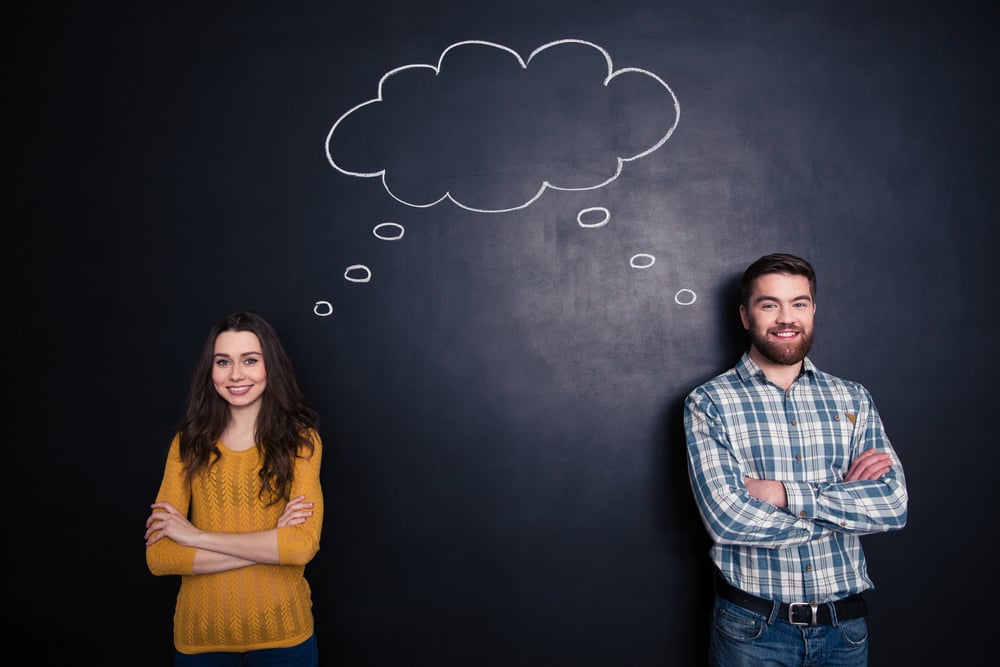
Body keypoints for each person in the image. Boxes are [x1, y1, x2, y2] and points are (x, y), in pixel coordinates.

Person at [683, 253, 908, 667]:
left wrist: (780, 493)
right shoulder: (710, 402)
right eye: (770, 304)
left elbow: (892, 506)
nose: (787, 318)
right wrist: (841, 505)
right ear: (746, 315)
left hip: (845, 631)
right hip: (753, 632)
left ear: (813, 310)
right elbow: (727, 519)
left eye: (798, 303)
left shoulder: (853, 398)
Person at [145, 310, 324, 667]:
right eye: (223, 361)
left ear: (269, 366)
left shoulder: (301, 443)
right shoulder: (187, 445)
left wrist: (196, 537)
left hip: (285, 640)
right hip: (200, 642)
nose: (236, 374)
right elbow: (161, 557)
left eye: (250, 360)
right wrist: (272, 540)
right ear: (210, 371)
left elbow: (301, 546)